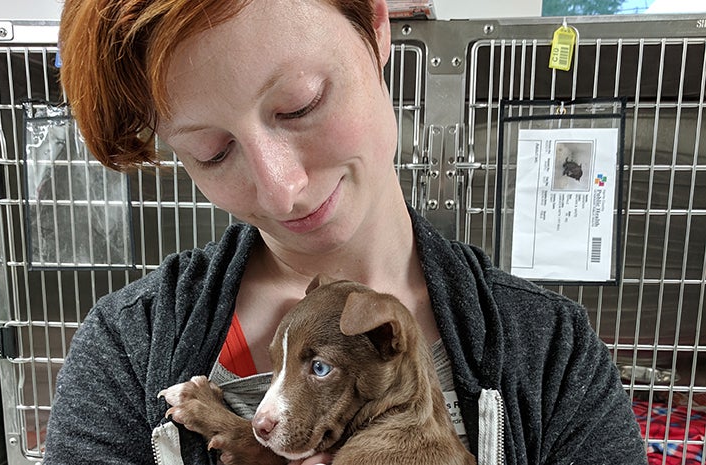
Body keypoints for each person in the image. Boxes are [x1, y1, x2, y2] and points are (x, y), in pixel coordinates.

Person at [44, 0, 647, 464]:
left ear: (376, 26)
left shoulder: (549, 354)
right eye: (213, 151)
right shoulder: (128, 349)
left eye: (299, 105)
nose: (283, 188)